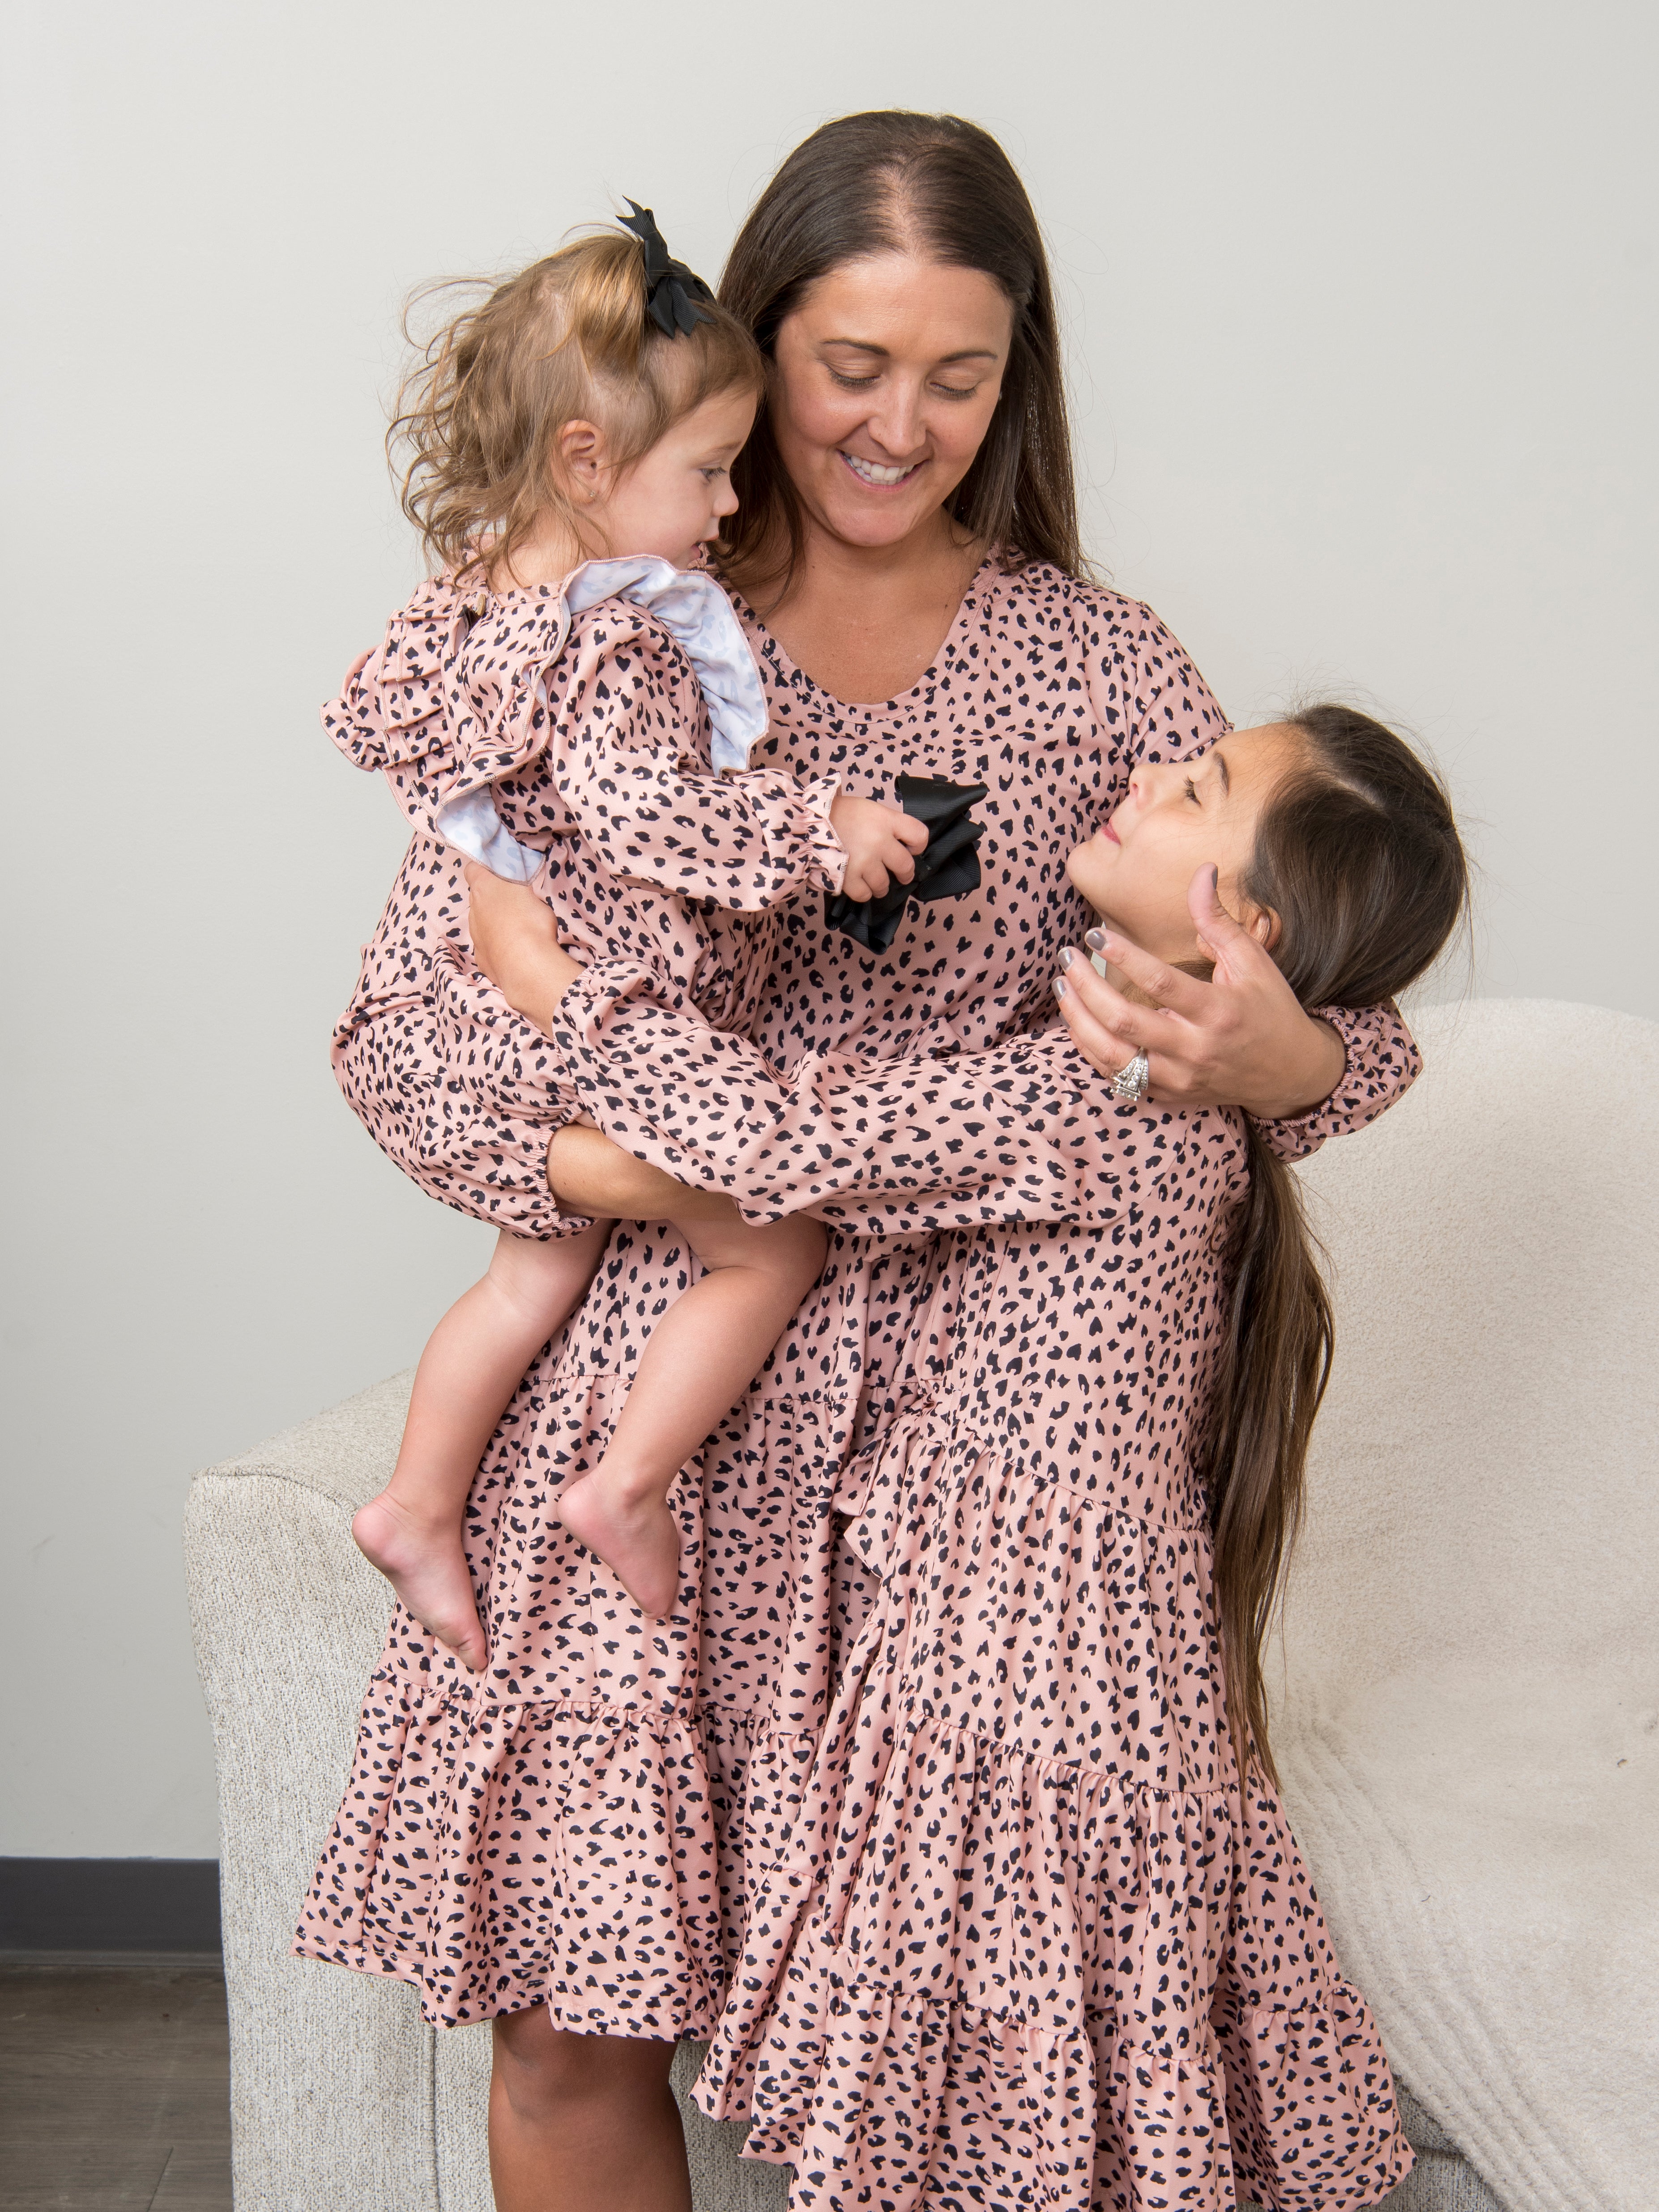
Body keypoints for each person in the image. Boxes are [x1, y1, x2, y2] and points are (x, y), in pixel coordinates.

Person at [296, 113, 1425, 2212]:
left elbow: (1296, 974)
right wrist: (672, 1186)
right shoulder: (606, 629)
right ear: (756, 348)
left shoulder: (1104, 669)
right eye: (850, 367)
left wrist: (1305, 1057)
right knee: (567, 2021)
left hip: (980, 1453)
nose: (900, 426)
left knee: (974, 2067)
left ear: (1019, 381)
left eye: (959, 376)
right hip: (661, 1408)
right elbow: (409, 1041)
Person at [327, 216, 928, 1643]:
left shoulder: (480, 599)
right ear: (589, 463)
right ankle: (627, 1486)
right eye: (708, 470)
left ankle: (416, 1503)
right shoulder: (610, 641)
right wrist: (821, 828)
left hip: (464, 1022)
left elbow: (384, 724)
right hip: (559, 1029)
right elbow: (650, 817)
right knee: (773, 1246)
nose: (730, 503)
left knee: (531, 1272)